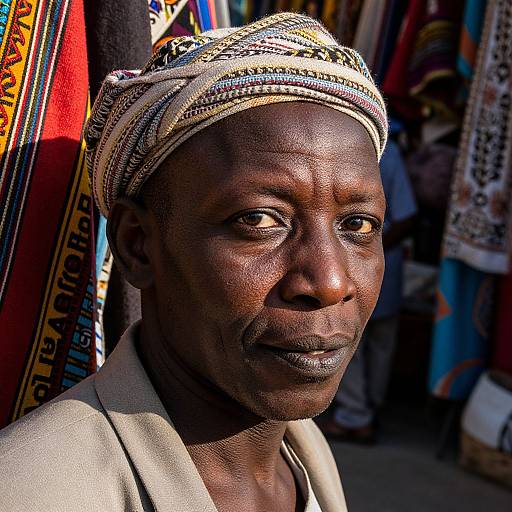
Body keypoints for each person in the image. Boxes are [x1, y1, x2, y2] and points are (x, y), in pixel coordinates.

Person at [0, 13, 388, 512]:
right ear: (138, 244)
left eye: (358, 225)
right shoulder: (35, 493)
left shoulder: (305, 455)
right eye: (259, 220)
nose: (330, 282)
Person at [320, 138, 417, 443]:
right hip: (374, 266)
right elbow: (407, 214)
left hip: (374, 268)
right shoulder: (384, 153)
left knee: (357, 344)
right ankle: (364, 410)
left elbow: (406, 217)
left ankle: (357, 415)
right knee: (368, 344)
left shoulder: (359, 150)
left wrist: (368, 250)